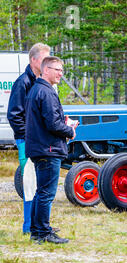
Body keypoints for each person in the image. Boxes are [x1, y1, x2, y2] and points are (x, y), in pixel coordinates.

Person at [25, 56, 75, 244]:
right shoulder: (46, 92)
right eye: (57, 69)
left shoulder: (36, 90)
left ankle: (37, 231)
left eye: (62, 70)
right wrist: (70, 130)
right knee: (46, 193)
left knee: (41, 192)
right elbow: (52, 124)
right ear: (46, 70)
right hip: (48, 148)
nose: (60, 73)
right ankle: (44, 232)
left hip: (40, 147)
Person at [7, 43, 50, 235]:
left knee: (42, 183)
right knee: (30, 183)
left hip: (41, 141)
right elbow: (14, 114)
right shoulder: (23, 82)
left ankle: (39, 225)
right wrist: (28, 136)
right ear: (34, 60)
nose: (47, 63)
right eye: (44, 59)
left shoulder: (42, 82)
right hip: (27, 141)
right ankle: (28, 228)